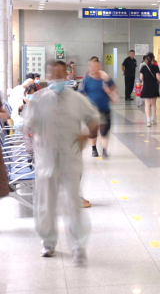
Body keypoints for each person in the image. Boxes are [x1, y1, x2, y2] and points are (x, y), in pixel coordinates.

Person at [25, 60, 99, 264]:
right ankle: (48, 243)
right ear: (48, 77)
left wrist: (86, 136)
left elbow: (94, 118)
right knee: (45, 204)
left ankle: (78, 246)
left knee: (73, 205)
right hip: (46, 160)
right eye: (52, 75)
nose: (56, 79)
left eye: (60, 75)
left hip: (70, 160)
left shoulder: (77, 99)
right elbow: (27, 125)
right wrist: (31, 147)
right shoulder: (39, 99)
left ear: (66, 75)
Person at [79, 60, 116, 158]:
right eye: (92, 66)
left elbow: (113, 87)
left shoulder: (105, 78)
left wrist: (110, 92)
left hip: (104, 108)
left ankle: (104, 150)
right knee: (93, 131)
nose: (94, 68)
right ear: (89, 68)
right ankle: (94, 149)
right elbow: (80, 92)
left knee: (104, 130)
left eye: (97, 66)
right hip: (92, 110)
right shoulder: (86, 80)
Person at [140, 53, 160, 127]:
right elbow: (158, 78)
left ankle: (148, 120)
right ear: (153, 59)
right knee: (153, 104)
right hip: (154, 87)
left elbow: (141, 78)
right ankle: (153, 119)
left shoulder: (143, 67)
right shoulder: (156, 67)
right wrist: (157, 82)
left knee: (147, 104)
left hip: (146, 87)